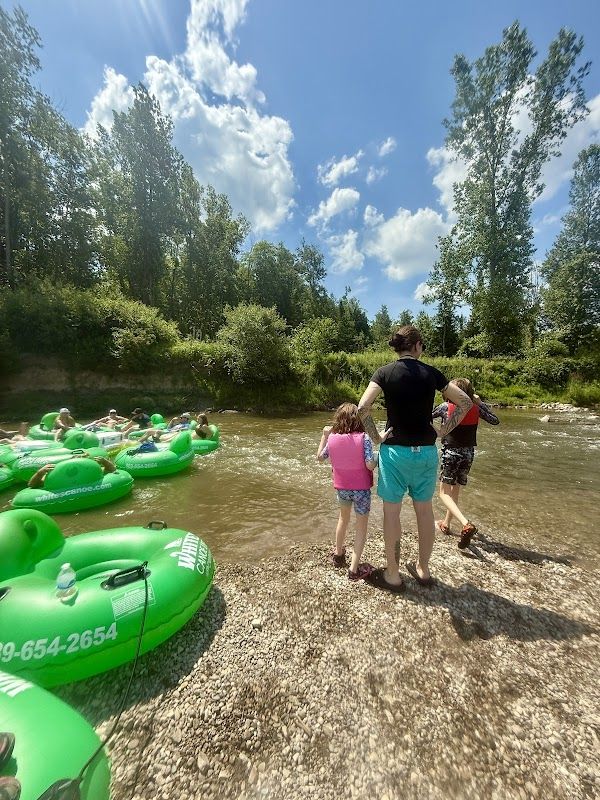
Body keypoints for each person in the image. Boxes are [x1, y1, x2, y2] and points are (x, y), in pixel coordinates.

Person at [358, 325, 473, 592]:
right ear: (418, 345)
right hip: (426, 452)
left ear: (398, 347)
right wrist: (443, 430)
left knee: (392, 514)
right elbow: (466, 402)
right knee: (424, 511)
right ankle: (423, 570)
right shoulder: (431, 373)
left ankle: (393, 575)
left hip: (394, 453)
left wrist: (376, 437)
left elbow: (363, 407)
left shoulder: (384, 372)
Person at [317, 403, 384, 581]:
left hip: (342, 488)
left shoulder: (332, 438)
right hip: (361, 490)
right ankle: (354, 570)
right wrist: (379, 457)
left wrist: (324, 436)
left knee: (343, 519)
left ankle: (338, 555)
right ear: (358, 420)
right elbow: (369, 464)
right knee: (361, 526)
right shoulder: (364, 438)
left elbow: (320, 457)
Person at [432, 378, 500, 549]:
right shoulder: (475, 408)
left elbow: (425, 416)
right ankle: (446, 524)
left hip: (451, 453)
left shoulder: (445, 407)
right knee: (455, 490)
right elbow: (495, 420)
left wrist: (436, 431)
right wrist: (480, 403)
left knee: (443, 493)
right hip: (468, 454)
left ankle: (465, 523)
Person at [28, 454, 116, 488]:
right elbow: (31, 485)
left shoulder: (91, 470)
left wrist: (105, 462)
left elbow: (112, 470)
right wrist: (40, 472)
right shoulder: (58, 474)